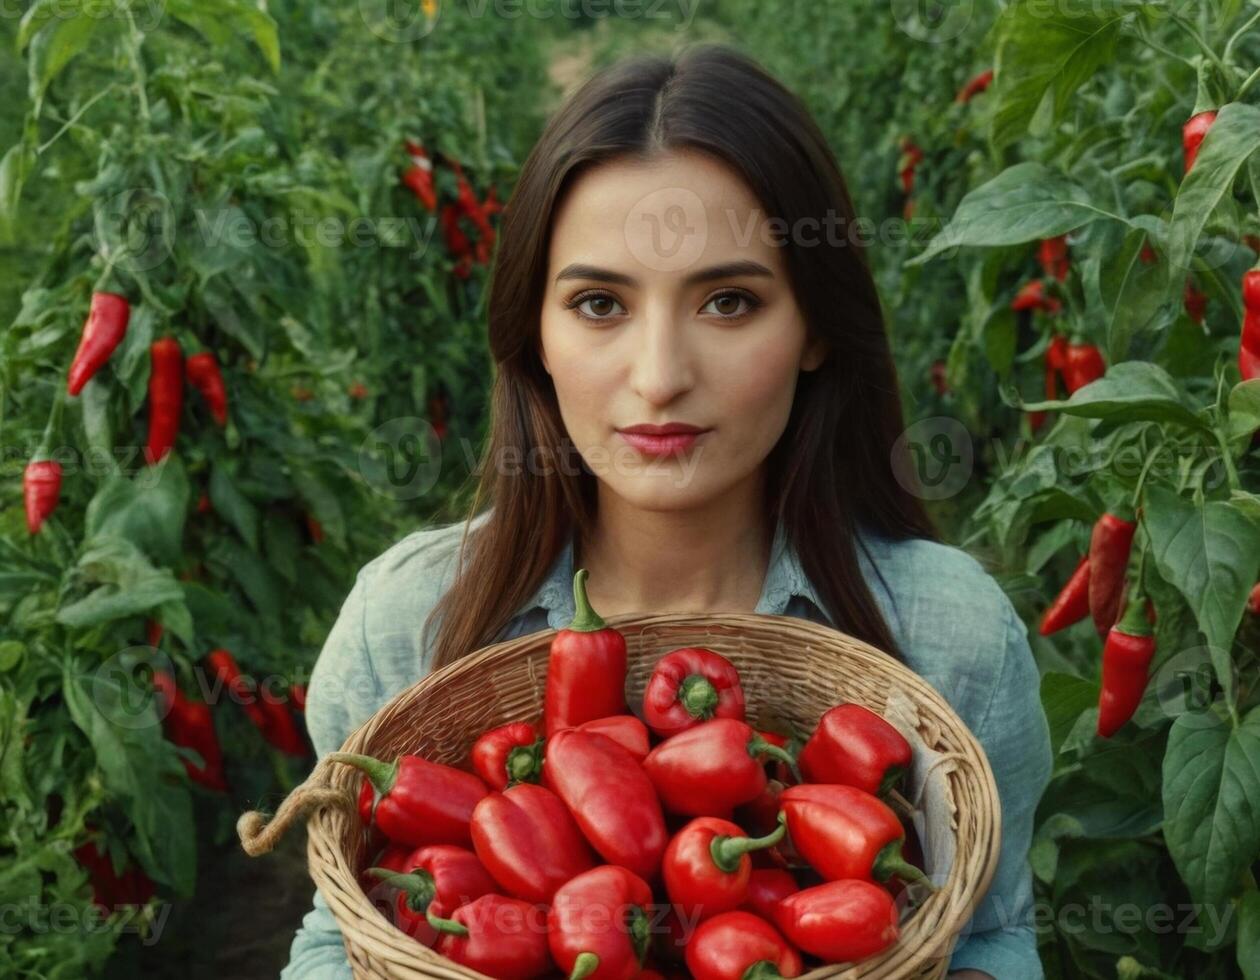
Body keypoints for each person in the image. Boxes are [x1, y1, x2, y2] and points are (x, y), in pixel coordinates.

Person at [281, 43, 1052, 980]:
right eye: (600, 304)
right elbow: (339, 933)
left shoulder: (952, 636)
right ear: (536, 335)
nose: (659, 377)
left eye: (728, 302)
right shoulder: (403, 626)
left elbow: (994, 931)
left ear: (814, 329)